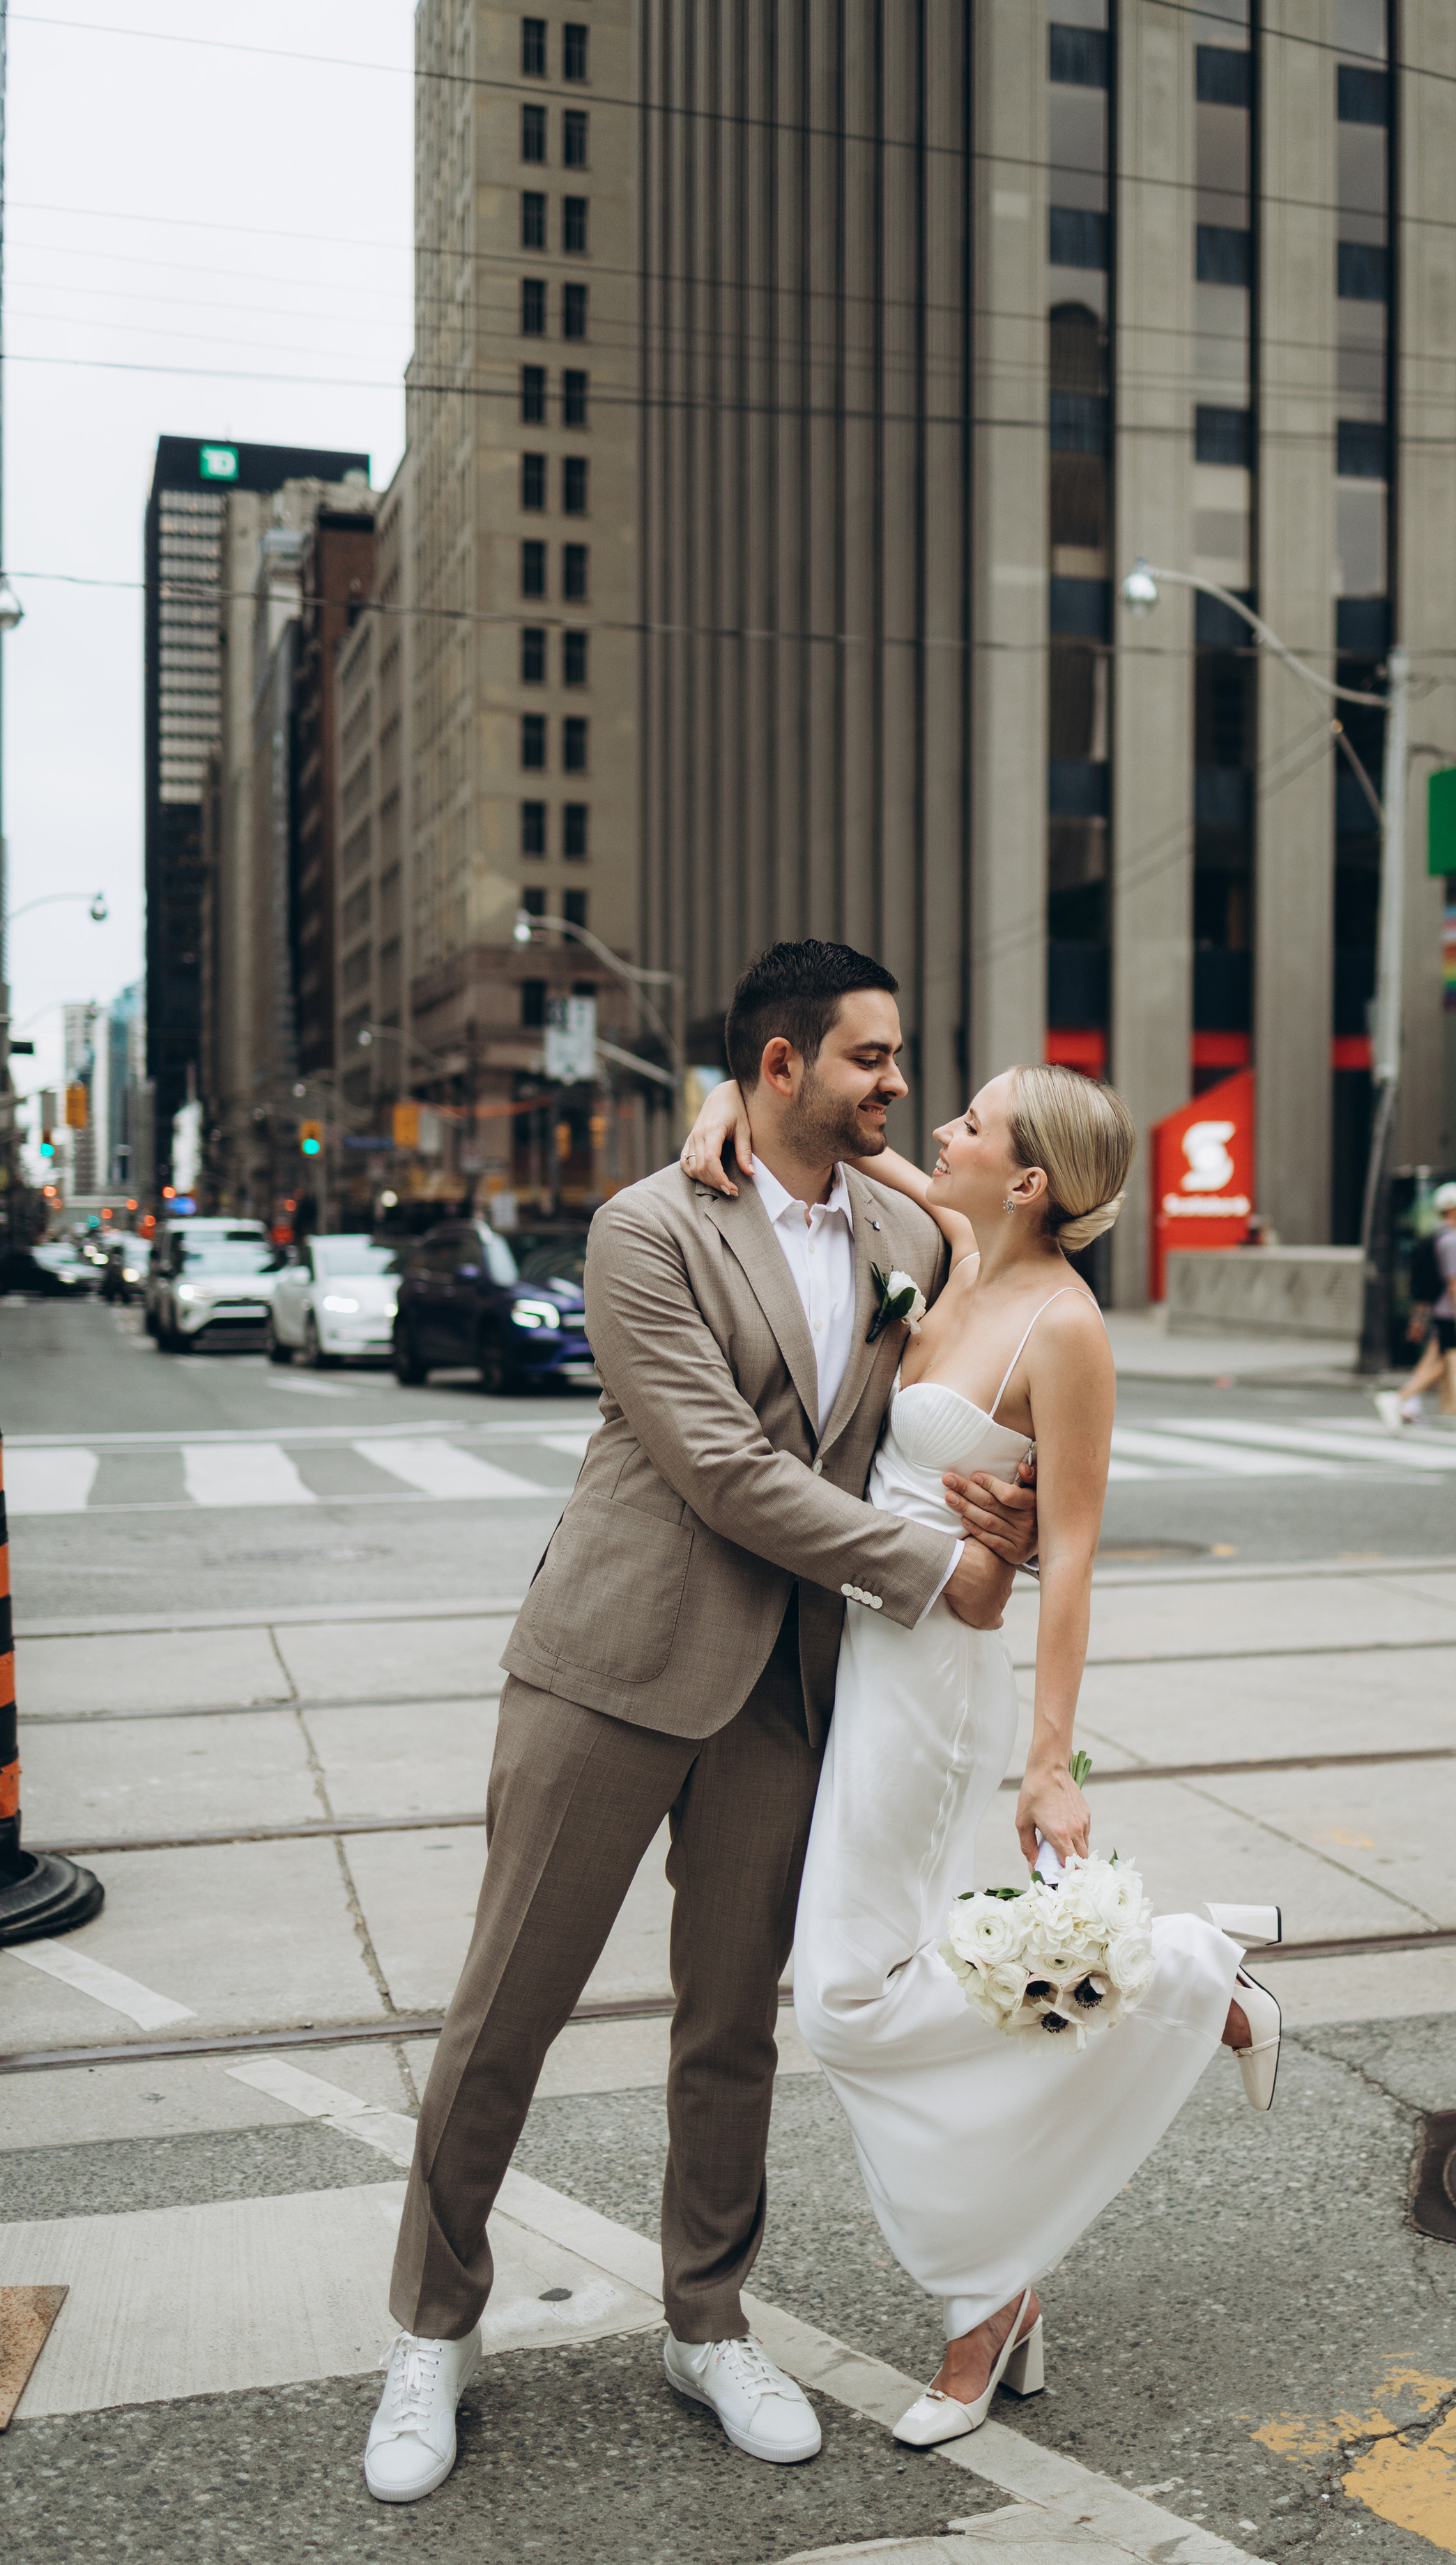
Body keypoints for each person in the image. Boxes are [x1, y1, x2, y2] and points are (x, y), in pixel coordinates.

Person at [363, 942, 1042, 2502]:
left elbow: (1001, 1300)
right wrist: (942, 1571)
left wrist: (1018, 1496)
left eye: (900, 1059)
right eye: (870, 1059)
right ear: (782, 1067)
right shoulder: (645, 1227)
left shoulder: (904, 1228)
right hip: (612, 1664)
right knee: (504, 2017)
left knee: (729, 2028)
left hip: (784, 1696)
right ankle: (431, 2331)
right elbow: (727, 1473)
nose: (898, 1086)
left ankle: (706, 2319)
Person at [682, 1060, 1278, 2446]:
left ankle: (1185, 1968)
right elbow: (797, 1133)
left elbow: (1067, 1557)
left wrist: (1049, 1761)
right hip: (872, 1648)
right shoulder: (955, 1248)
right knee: (964, 1978)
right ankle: (997, 2290)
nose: (934, 1129)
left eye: (969, 1123)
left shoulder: (1063, 1328)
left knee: (843, 1999)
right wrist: (724, 1106)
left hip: (940, 1682)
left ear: (1026, 1181)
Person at [1374, 1181, 1456, 1429]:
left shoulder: (1438, 1236)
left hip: (1442, 1311)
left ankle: (1409, 1403)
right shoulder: (1453, 1241)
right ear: (1454, 1210)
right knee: (1447, 1365)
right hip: (1451, 1313)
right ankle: (1397, 1398)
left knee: (1432, 1360)